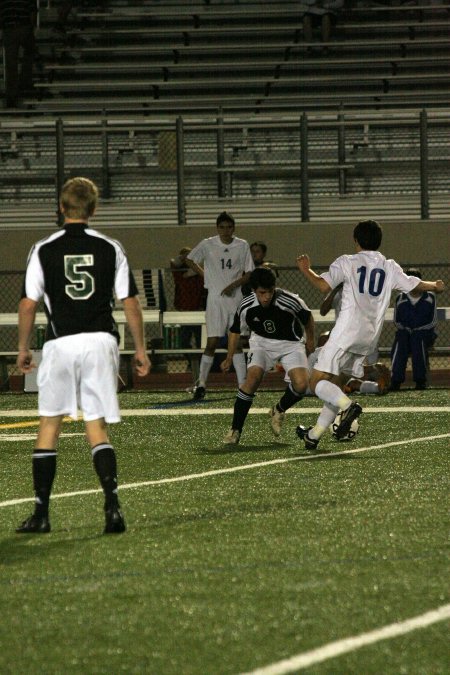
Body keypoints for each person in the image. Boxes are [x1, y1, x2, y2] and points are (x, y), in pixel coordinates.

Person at [15, 177, 151, 535]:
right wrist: (140, 348)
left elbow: (29, 304)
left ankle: (41, 514)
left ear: (61, 208)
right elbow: (130, 303)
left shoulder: (42, 248)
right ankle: (113, 508)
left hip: (61, 343)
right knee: (96, 425)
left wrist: (23, 347)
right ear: (93, 209)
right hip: (99, 342)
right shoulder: (110, 248)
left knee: (49, 425)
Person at [296, 219, 445, 450]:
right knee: (336, 384)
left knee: (316, 383)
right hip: (368, 338)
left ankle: (348, 407)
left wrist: (306, 270)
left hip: (345, 333)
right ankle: (314, 435)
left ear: (355, 240)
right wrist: (434, 285)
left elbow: (324, 286)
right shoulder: (389, 266)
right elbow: (412, 285)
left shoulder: (348, 262)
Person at [220, 267, 314, 444]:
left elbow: (307, 317)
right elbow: (234, 331)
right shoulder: (246, 305)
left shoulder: (289, 300)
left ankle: (279, 409)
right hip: (261, 343)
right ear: (254, 290)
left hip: (290, 344)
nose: (266, 297)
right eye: (262, 292)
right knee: (252, 378)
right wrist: (229, 357)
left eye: (270, 292)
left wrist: (310, 341)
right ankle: (235, 430)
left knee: (302, 385)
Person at [186, 211, 254, 400]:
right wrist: (206, 276)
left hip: (235, 298)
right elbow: (189, 259)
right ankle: (201, 384)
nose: (226, 231)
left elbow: (249, 273)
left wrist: (233, 285)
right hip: (215, 299)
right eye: (222, 227)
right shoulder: (208, 244)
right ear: (217, 228)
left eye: (229, 227)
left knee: (237, 342)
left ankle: (242, 385)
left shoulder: (242, 245)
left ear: (234, 228)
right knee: (213, 341)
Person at [390, 268, 438, 391]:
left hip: (425, 334)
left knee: (418, 340)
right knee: (401, 339)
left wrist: (417, 330)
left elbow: (433, 321)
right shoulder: (400, 298)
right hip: (405, 333)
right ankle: (396, 380)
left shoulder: (430, 297)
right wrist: (406, 329)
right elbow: (397, 321)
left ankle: (420, 380)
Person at [170, 246, 205, 367]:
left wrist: (194, 266)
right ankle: (192, 362)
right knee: (184, 341)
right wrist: (184, 257)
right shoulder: (179, 273)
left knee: (202, 340)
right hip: (185, 312)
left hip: (198, 311)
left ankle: (201, 364)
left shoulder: (199, 274)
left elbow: (202, 273)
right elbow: (173, 263)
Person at [0, 0, 36, 108]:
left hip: (10, 29)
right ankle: (24, 80)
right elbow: (32, 11)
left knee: (11, 64)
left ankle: (12, 95)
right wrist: (32, 27)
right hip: (23, 27)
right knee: (30, 51)